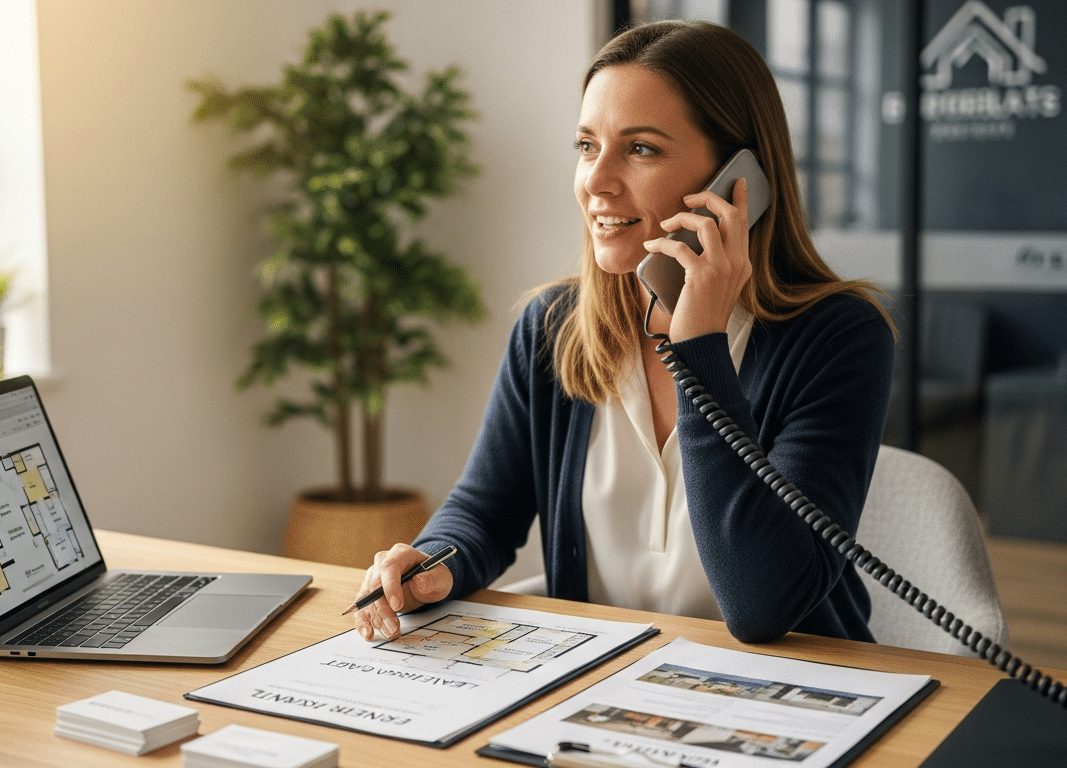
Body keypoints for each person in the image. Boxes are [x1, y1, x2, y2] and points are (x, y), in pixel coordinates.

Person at [352, 20, 895, 645]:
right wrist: (432, 562)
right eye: (587, 146)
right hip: (603, 681)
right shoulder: (553, 327)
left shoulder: (839, 338)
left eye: (641, 149)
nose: (596, 181)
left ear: (739, 179)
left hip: (796, 684)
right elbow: (484, 512)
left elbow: (761, 605)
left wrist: (699, 346)